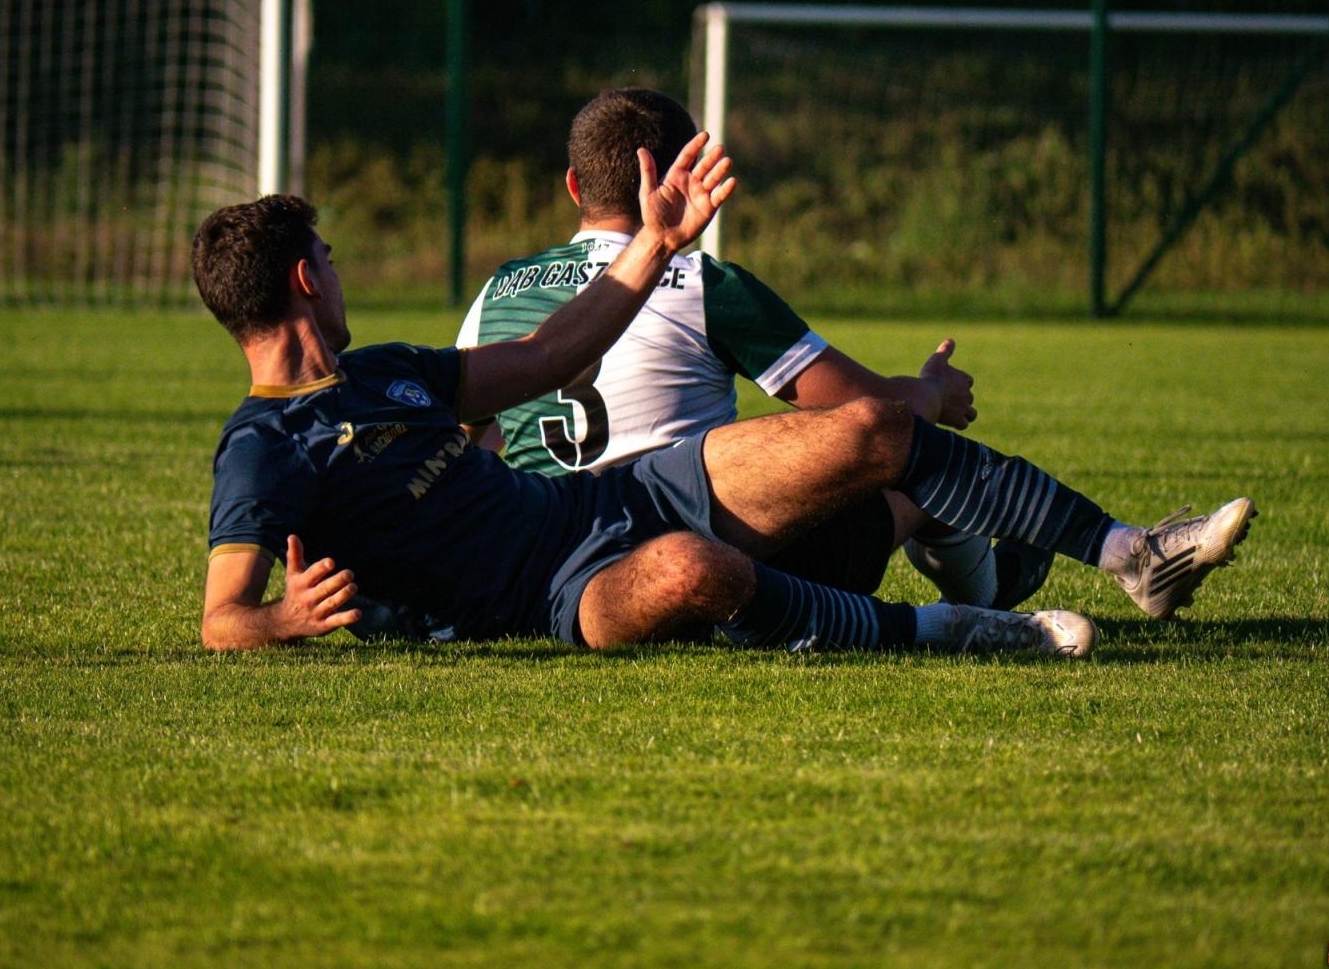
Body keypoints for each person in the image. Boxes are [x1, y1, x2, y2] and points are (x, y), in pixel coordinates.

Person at [193, 132, 1255, 658]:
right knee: (704, 570)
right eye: (328, 258)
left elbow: (559, 347)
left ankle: (1133, 556)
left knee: (873, 427)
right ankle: (963, 629)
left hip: (609, 495)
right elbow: (218, 618)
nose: (341, 273)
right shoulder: (261, 447)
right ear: (301, 279)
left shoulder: (386, 367)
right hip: (553, 599)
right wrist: (282, 621)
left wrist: (653, 245)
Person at [455, 87, 1049, 609]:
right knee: (916, 454)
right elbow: (870, 413)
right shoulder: (704, 287)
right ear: (686, 180)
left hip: (563, 573)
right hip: (713, 561)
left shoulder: (496, 293)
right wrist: (935, 393)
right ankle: (990, 591)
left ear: (573, 185)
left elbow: (461, 443)